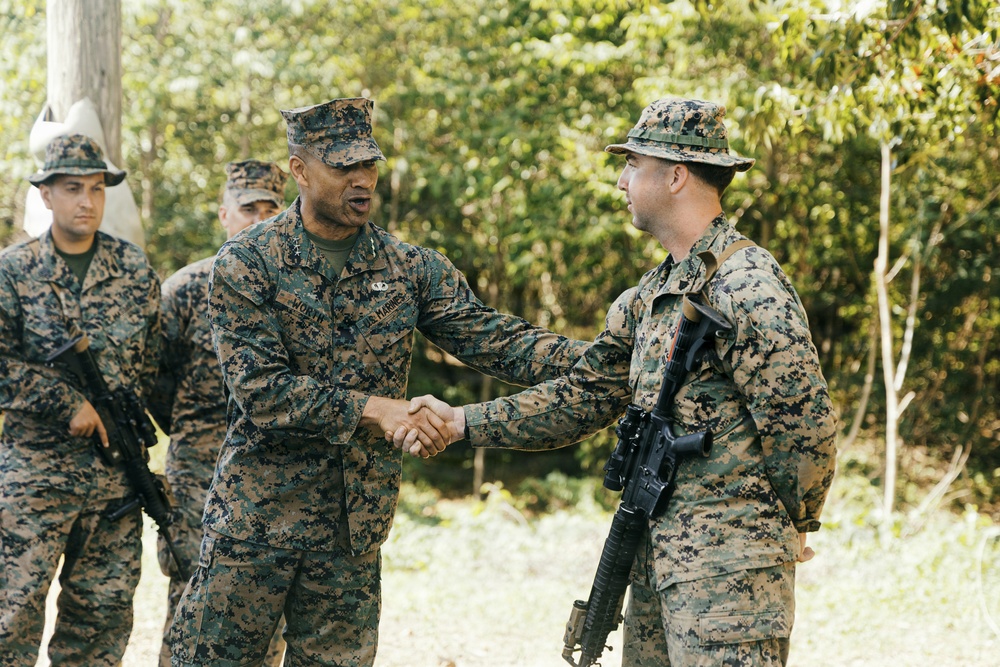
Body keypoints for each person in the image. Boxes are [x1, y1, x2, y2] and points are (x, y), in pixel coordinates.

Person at [401, 97, 838, 666]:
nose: (620, 180)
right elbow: (583, 397)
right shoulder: (651, 295)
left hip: (730, 573)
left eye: (633, 164)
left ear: (676, 175)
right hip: (657, 561)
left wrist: (797, 520)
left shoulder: (746, 284)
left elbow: (805, 423)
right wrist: (461, 423)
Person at [167, 97, 590, 667]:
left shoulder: (409, 267)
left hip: (350, 533)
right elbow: (261, 390)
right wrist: (378, 409)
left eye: (368, 166)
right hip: (253, 528)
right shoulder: (248, 262)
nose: (361, 180)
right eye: (342, 167)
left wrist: (605, 357)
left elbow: (496, 340)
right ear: (300, 169)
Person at [0, 134, 161, 666]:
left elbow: (150, 367)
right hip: (33, 478)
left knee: (100, 624)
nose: (87, 201)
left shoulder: (135, 270)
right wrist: (64, 402)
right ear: (46, 195)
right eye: (73, 189)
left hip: (115, 481)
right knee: (11, 618)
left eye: (97, 189)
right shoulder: (13, 271)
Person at [148, 160, 289, 667]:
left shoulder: (293, 290)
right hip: (198, 473)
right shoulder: (185, 289)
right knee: (191, 599)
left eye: (270, 209)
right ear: (224, 213)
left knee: (267, 600)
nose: (259, 219)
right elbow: (150, 376)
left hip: (273, 472)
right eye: (248, 208)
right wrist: (192, 428)